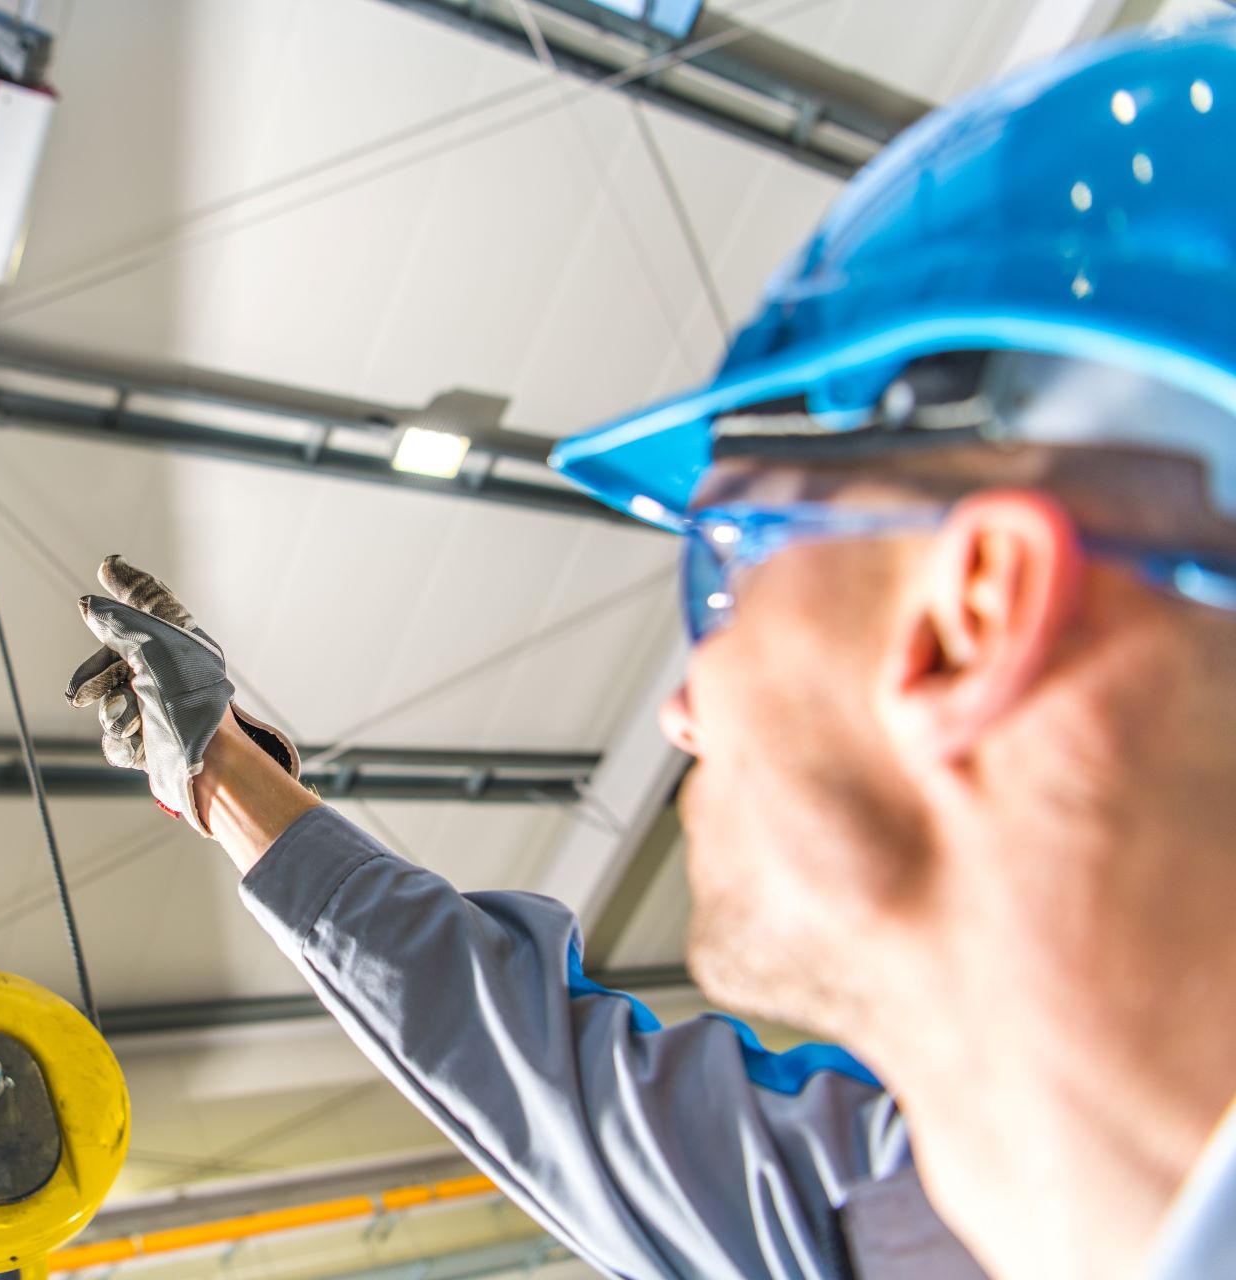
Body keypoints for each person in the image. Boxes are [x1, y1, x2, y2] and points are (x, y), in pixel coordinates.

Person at [66, 22, 1236, 1280]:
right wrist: (219, 767)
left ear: (967, 622)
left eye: (729, 563)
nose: (681, 706)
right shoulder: (897, 1209)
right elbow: (527, 1067)